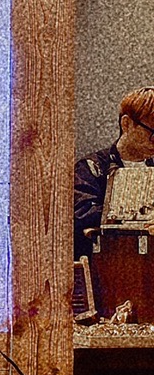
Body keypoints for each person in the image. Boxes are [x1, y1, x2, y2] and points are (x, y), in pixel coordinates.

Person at [75, 87, 154, 260]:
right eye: (153, 133)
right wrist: (140, 220)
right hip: (110, 263)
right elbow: (83, 213)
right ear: (126, 124)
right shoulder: (91, 168)